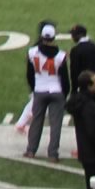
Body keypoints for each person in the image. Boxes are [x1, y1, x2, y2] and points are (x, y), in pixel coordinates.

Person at [24, 23, 70, 160]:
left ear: (41, 37)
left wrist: (34, 89)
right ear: (54, 37)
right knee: (55, 124)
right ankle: (52, 153)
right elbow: (65, 78)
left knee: (36, 121)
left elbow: (29, 74)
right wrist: (65, 94)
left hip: (40, 89)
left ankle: (31, 150)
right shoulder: (61, 56)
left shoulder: (32, 52)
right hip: (57, 91)